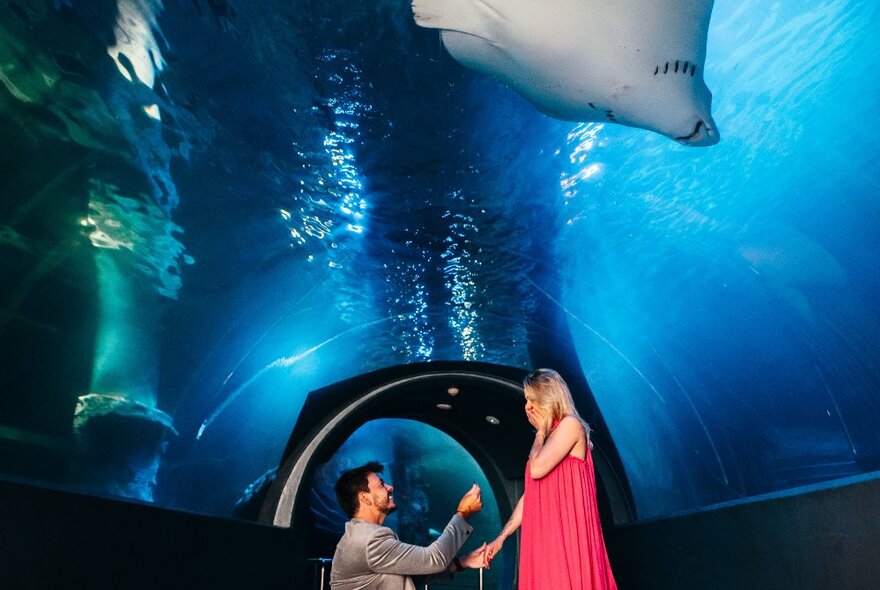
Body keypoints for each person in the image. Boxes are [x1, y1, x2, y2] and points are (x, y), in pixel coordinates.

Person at [486, 369, 617, 589]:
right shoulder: (551, 438)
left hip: (566, 537)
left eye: (532, 399)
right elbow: (531, 494)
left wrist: (539, 433)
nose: (527, 406)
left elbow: (536, 469)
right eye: (526, 400)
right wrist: (501, 538)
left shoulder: (570, 425)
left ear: (548, 396)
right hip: (548, 537)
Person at [330, 461, 487, 589]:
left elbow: (407, 576)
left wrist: (462, 562)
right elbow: (433, 559)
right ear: (364, 497)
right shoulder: (369, 540)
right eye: (381, 484)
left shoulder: (361, 535)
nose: (390, 487)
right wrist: (463, 512)